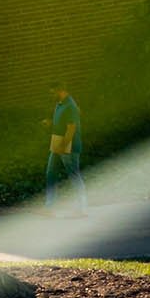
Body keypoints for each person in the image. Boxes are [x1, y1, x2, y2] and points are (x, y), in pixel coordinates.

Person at [44, 86, 86, 215]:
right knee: (51, 173)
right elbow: (62, 123)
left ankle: (82, 208)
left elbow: (71, 128)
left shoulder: (70, 106)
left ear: (61, 91)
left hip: (69, 145)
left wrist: (63, 146)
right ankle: (50, 207)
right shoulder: (60, 104)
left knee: (74, 174)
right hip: (57, 142)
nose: (51, 95)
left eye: (53, 92)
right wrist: (50, 123)